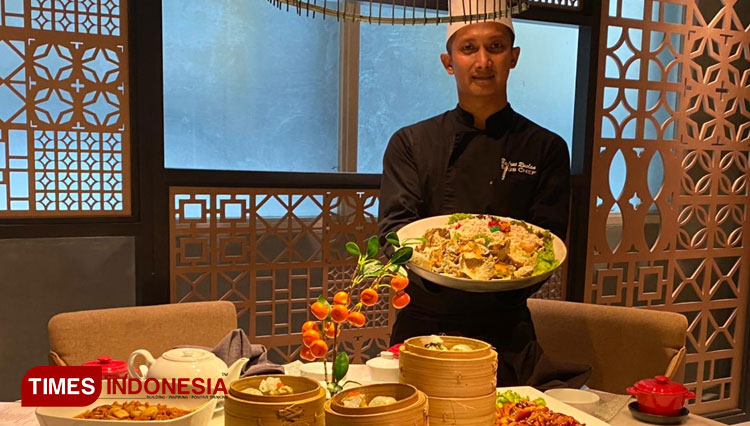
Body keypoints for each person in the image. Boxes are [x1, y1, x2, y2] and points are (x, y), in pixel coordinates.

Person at [378, 0, 589, 388]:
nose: (482, 61)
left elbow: (546, 242)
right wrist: (446, 286)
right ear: (448, 61)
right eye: (468, 48)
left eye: (495, 47)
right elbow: (394, 233)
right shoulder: (410, 143)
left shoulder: (545, 148)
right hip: (423, 331)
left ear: (514, 57)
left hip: (505, 334)